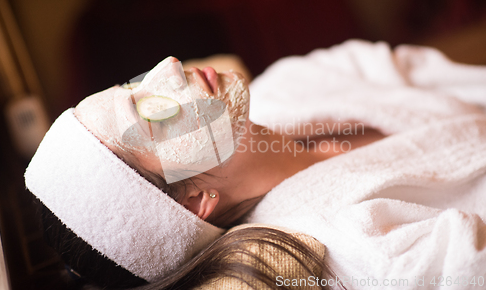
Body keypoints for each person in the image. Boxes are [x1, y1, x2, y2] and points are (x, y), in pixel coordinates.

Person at [26, 40, 486, 289]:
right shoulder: (360, 247)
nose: (168, 66)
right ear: (192, 202)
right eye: (150, 115)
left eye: (133, 85)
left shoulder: (290, 83)